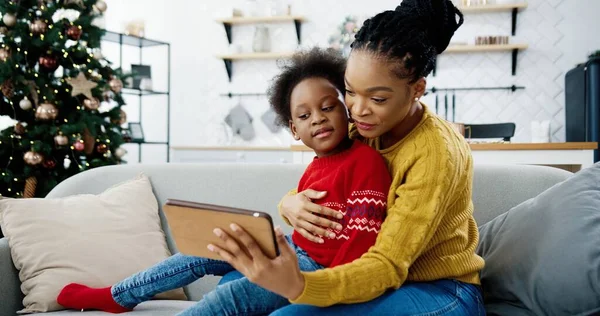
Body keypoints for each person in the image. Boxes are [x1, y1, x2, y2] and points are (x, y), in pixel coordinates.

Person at [56, 47, 392, 315]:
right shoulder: (316, 166)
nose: (317, 118)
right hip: (295, 249)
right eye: (304, 115)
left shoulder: (367, 162)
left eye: (328, 107)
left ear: (346, 109)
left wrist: (317, 287)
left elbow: (360, 247)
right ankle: (117, 295)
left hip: (317, 271)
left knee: (230, 296)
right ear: (294, 130)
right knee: (200, 250)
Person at [207, 0, 486, 315]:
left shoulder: (436, 152)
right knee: (230, 289)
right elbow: (325, 183)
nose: (357, 109)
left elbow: (387, 265)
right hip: (376, 278)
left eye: (377, 98)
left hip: (441, 290)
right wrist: (289, 203)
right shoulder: (364, 128)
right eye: (351, 92)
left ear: (417, 89)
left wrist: (299, 286)